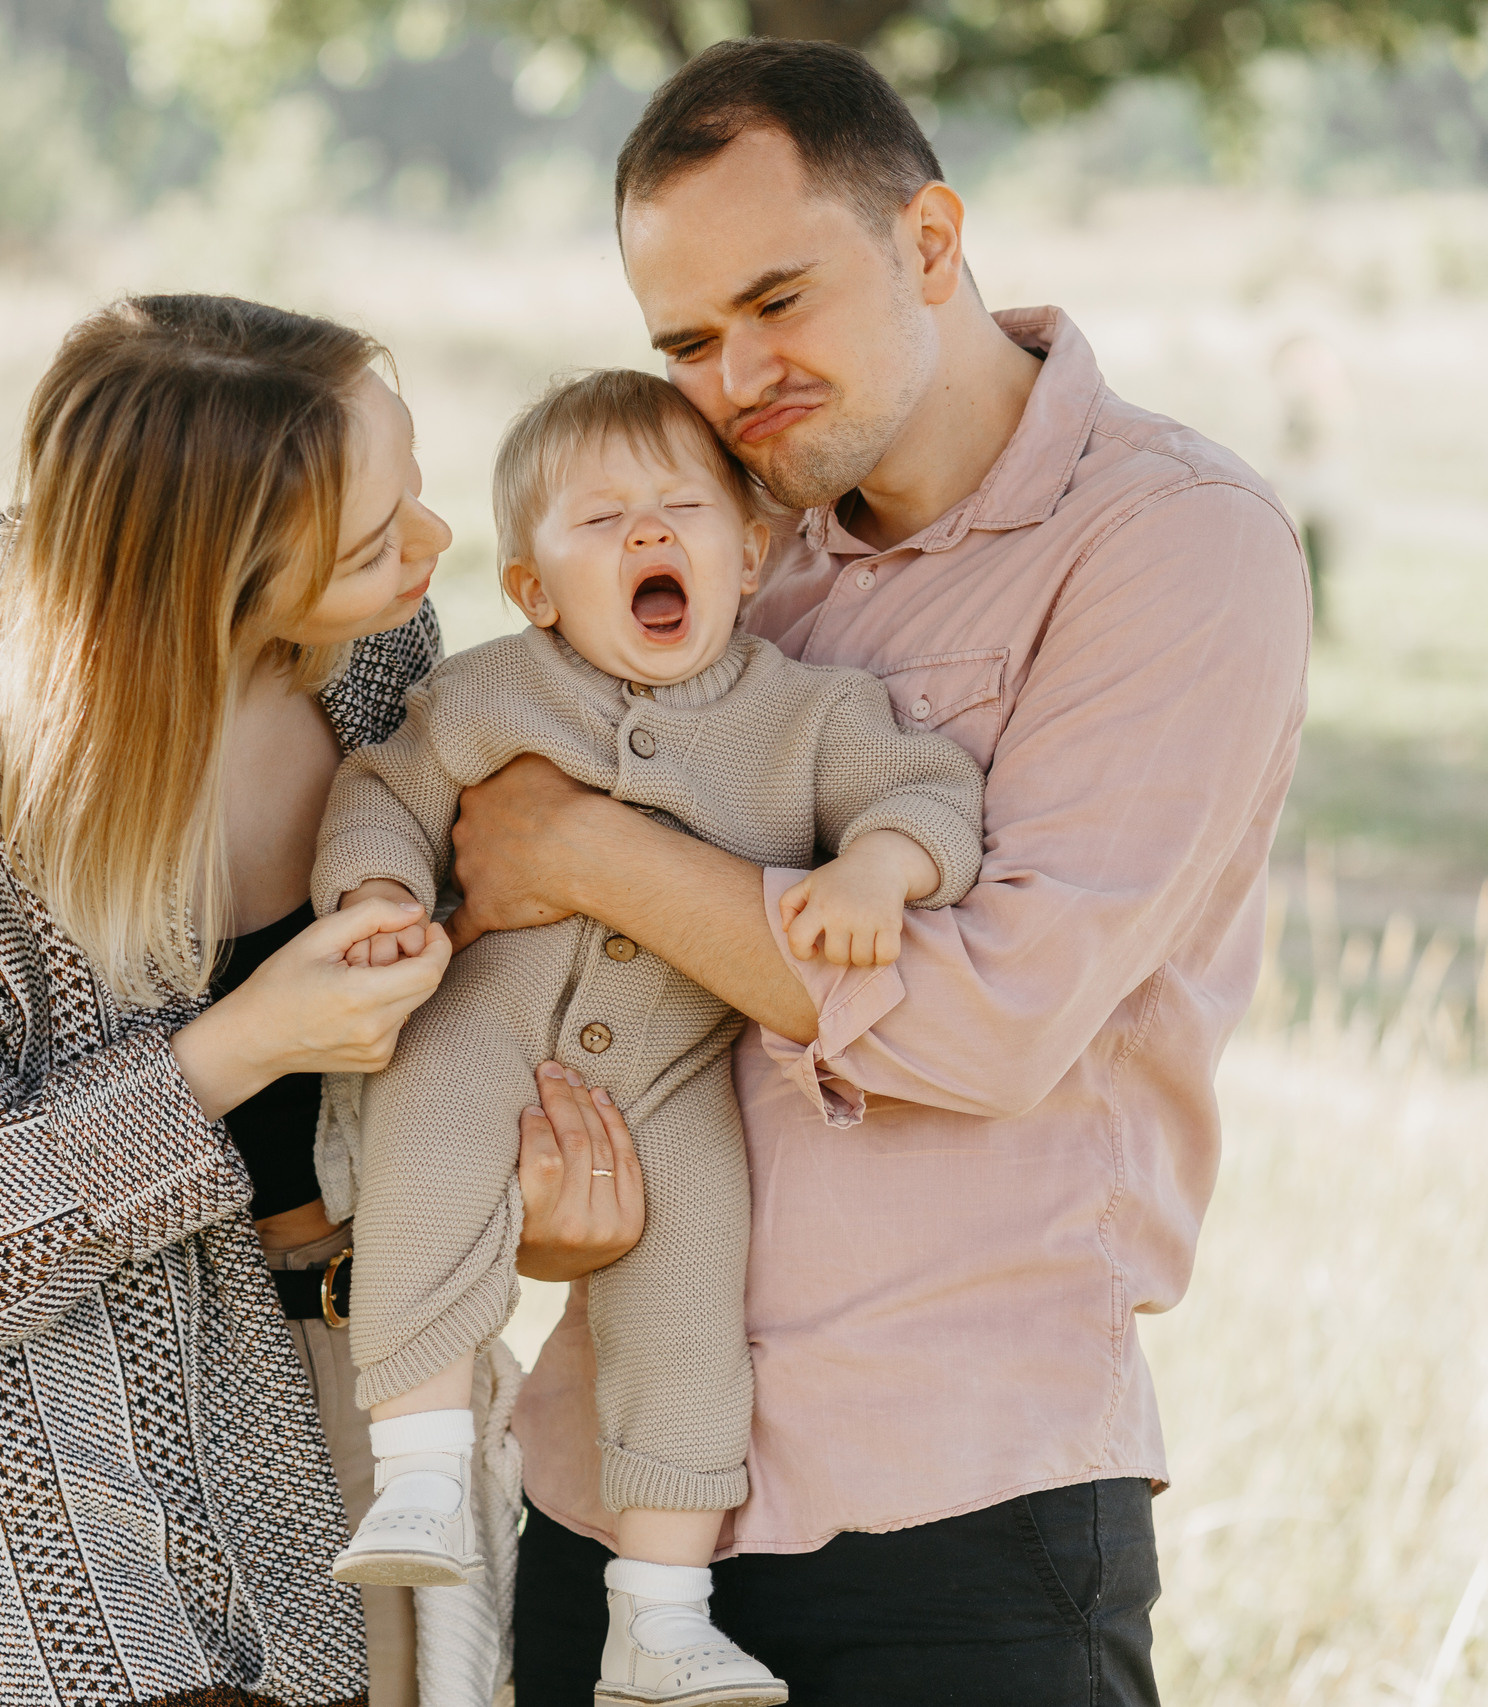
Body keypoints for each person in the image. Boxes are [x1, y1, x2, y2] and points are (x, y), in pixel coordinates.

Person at [457, 42, 1310, 1707]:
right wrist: (544, 1211)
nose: (737, 375)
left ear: (930, 239)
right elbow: (553, 984)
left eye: (779, 300)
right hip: (618, 1502)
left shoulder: (1175, 544)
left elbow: (988, 1024)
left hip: (956, 1517)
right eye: (687, 341)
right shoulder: (711, 557)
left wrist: (589, 850)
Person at [0, 294, 646, 1707]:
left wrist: (542, 1205)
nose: (434, 547)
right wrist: (233, 1049)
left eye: (409, 494)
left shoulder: (384, 674)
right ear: (204, 578)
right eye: (373, 543)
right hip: (67, 1517)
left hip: (387, 1400)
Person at [313, 369, 984, 1707]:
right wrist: (380, 892)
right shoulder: (496, 692)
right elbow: (383, 789)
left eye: (681, 507)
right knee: (425, 1142)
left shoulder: (807, 717)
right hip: (485, 1021)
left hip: (677, 1077)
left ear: (751, 553)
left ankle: (664, 1616)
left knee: (692, 1298)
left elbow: (929, 788)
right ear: (534, 590)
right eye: (600, 519)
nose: (646, 536)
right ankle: (426, 1479)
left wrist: (882, 870)